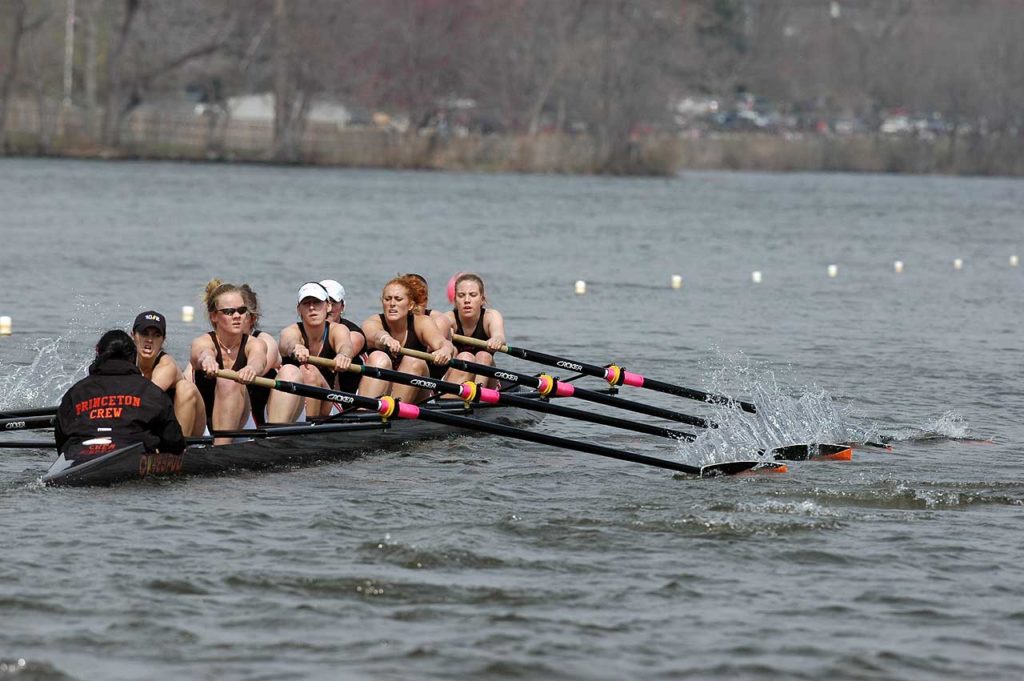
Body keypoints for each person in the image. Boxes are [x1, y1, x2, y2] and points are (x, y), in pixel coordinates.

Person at [190, 279, 302, 444]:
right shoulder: (203, 341)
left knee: (229, 381)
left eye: (241, 311)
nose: (236, 316)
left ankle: (221, 450)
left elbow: (258, 359)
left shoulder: (254, 343)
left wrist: (251, 368)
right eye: (229, 311)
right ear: (214, 316)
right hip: (204, 424)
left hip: (243, 423)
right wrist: (207, 359)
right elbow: (202, 352)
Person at [55, 329, 185, 458]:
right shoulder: (151, 392)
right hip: (132, 454)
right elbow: (174, 444)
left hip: (78, 456)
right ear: (132, 357)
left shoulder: (75, 392)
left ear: (98, 353)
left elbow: (61, 442)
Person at [360, 276, 453, 401]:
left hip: (419, 392)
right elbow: (377, 335)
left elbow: (443, 343)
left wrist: (445, 350)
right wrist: (387, 339)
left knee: (413, 360)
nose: (392, 304)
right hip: (383, 389)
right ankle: (365, 414)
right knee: (378, 357)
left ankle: (394, 414)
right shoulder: (371, 322)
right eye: (387, 299)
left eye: (398, 299)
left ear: (410, 305)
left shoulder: (422, 322)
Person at [279, 282, 354, 417]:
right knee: (307, 371)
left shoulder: (337, 330)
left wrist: (343, 355)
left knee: (308, 372)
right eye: (306, 303)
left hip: (328, 403)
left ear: (328, 306)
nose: (312, 307)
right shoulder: (291, 331)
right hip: (292, 401)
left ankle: (310, 426)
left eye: (317, 302)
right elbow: (287, 342)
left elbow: (346, 346)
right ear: (298, 309)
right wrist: (297, 347)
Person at [132, 310, 207, 437]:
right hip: (159, 425)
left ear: (163, 340)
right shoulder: (124, 360)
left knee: (186, 388)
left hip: (192, 429)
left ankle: (180, 451)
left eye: (156, 335)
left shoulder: (166, 366)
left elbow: (146, 400)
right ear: (133, 336)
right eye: (144, 333)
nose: (150, 340)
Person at [444, 273, 507, 388]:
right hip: (454, 378)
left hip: (487, 380)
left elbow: (499, 335)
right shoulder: (448, 319)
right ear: (455, 300)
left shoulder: (491, 316)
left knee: (484, 355)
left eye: (473, 295)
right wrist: (445, 337)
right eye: (461, 295)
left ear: (482, 299)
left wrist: (496, 340)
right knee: (464, 356)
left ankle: (478, 392)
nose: (467, 300)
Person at [319, 278, 368, 395]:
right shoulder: (302, 329)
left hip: (345, 397)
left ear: (342, 307)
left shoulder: (354, 334)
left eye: (333, 302)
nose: (329, 308)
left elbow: (346, 349)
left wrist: (343, 355)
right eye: (325, 302)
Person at [402, 273, 455, 379]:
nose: (413, 306)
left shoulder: (439, 320)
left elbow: (440, 346)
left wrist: (446, 348)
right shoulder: (394, 319)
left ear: (426, 300)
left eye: (418, 300)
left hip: (432, 378)